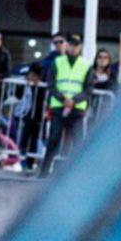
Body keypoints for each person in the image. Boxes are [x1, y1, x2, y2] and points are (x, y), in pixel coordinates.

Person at [40, 33, 94, 176]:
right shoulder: (57, 62)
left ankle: (81, 173)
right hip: (59, 107)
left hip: (76, 110)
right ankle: (44, 171)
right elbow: (51, 84)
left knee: (78, 143)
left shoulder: (86, 65)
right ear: (67, 45)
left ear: (80, 47)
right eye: (71, 44)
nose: (73, 47)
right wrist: (63, 99)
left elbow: (88, 89)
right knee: (53, 140)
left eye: (76, 44)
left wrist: (74, 100)